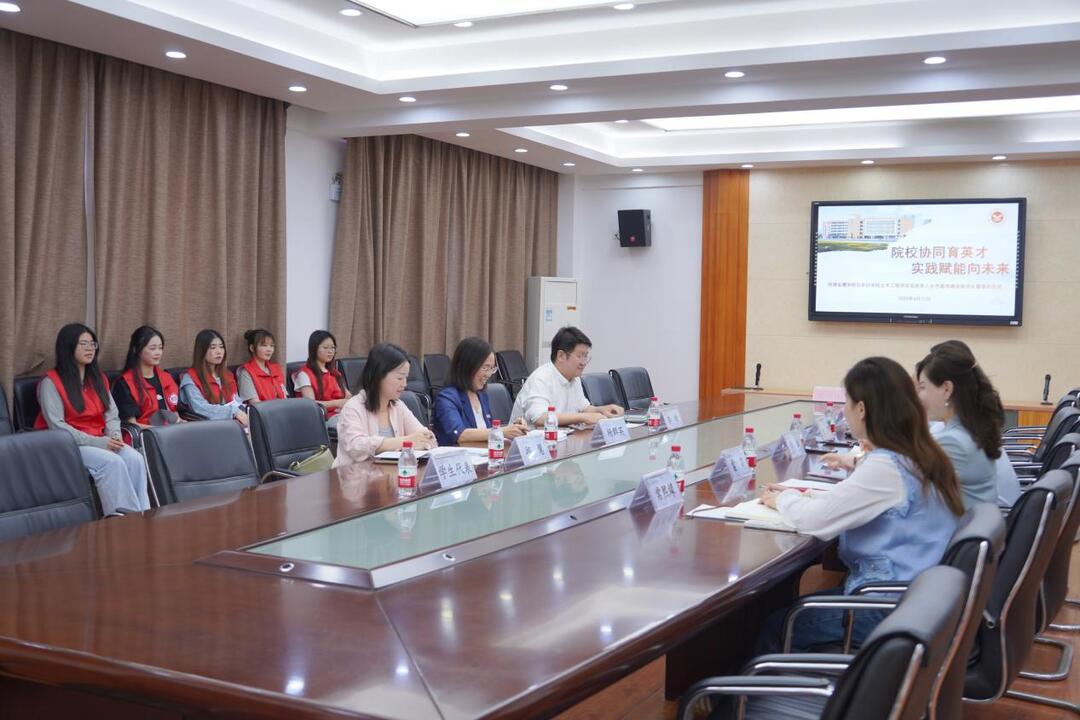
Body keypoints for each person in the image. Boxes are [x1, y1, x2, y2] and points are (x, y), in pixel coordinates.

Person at [756, 356, 964, 652]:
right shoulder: (919, 451)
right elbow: (854, 501)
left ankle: (758, 683)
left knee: (777, 626)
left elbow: (815, 520)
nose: (844, 410)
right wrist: (805, 496)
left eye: (847, 403)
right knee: (790, 611)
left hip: (887, 607)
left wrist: (782, 499)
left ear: (862, 409)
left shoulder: (887, 466)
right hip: (918, 599)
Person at [34, 324, 151, 513]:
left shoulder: (98, 378)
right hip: (68, 445)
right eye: (83, 344)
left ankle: (143, 514)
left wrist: (114, 435)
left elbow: (111, 414)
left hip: (100, 439)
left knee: (135, 458)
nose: (90, 349)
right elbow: (57, 427)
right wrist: (98, 442)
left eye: (92, 344)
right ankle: (122, 520)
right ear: (68, 347)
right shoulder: (51, 382)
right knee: (112, 462)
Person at [915, 339, 1005, 508]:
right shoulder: (973, 428)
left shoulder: (952, 442)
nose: (919, 396)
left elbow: (912, 492)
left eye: (922, 387)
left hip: (956, 524)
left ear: (947, 389)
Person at [333, 342, 436, 468]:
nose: (404, 384)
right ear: (379, 376)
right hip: (355, 477)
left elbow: (426, 437)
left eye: (406, 378)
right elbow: (355, 447)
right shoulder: (353, 407)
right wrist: (405, 441)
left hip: (391, 475)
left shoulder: (398, 406)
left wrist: (423, 441)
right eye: (400, 378)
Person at [509, 326, 623, 427]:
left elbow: (584, 408)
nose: (584, 362)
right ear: (561, 356)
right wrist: (582, 417)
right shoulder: (541, 378)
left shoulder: (574, 377)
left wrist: (602, 410)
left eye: (586, 356)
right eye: (580, 356)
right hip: (530, 441)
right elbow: (540, 418)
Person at [433, 336, 529, 446]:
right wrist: (502, 431)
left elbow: (486, 431)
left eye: (491, 369)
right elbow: (460, 435)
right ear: (467, 366)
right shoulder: (446, 398)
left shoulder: (481, 395)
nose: (488, 374)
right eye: (484, 368)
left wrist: (513, 428)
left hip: (482, 452)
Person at [113, 325, 181, 428]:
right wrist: (161, 431)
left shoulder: (166, 378)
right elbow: (132, 424)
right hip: (145, 433)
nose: (158, 352)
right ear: (136, 350)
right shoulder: (125, 383)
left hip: (170, 431)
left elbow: (174, 412)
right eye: (152, 348)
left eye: (160, 348)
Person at [178, 329, 248, 426]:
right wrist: (233, 411)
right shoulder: (190, 378)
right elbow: (200, 408)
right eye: (213, 347)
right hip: (209, 427)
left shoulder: (227, 375)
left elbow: (236, 400)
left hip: (234, 424)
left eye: (221, 347)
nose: (219, 352)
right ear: (202, 351)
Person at [293, 330, 352, 428]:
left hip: (342, 414)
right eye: (325, 347)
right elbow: (310, 405)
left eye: (332, 348)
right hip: (324, 419)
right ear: (314, 349)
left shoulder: (335, 373)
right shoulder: (304, 374)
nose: (330, 351)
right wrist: (337, 403)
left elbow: (348, 396)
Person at [236, 328, 287, 404]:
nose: (269, 349)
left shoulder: (276, 368)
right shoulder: (246, 373)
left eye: (272, 346)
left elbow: (285, 397)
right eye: (264, 345)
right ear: (252, 348)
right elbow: (255, 403)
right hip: (263, 411)